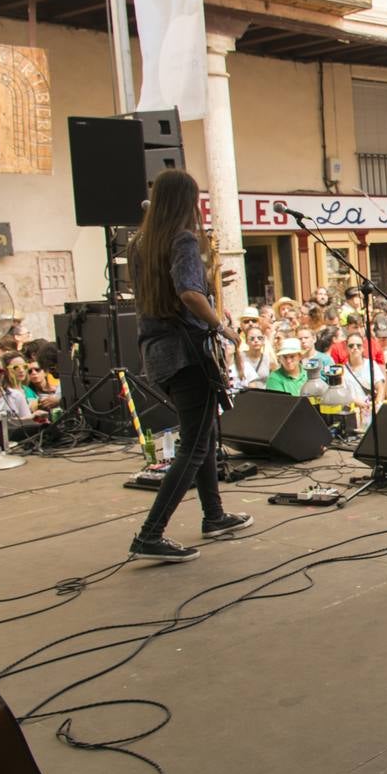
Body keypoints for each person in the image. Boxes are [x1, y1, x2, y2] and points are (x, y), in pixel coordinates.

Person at [127, 170, 253, 562]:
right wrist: (223, 326)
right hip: (187, 354)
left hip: (157, 352)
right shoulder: (182, 238)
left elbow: (169, 290)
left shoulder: (140, 243)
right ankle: (151, 534)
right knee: (195, 446)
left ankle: (214, 516)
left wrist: (209, 278)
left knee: (203, 434)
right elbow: (187, 294)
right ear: (186, 201)